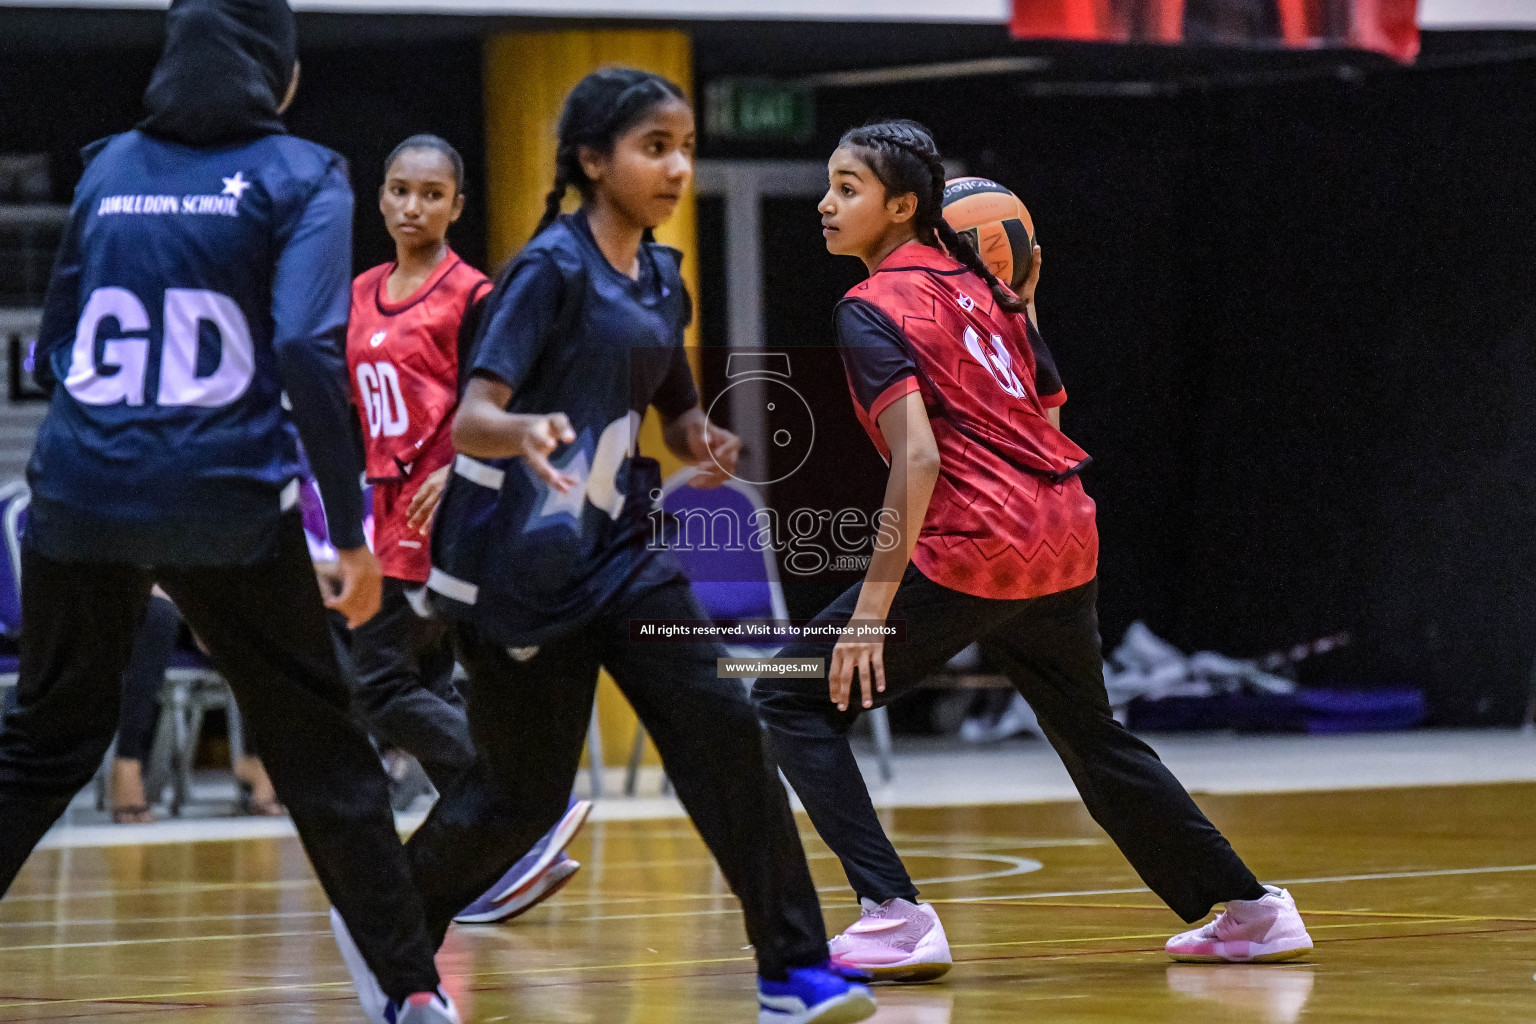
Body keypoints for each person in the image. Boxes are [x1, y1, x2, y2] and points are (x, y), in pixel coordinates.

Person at [329, 68, 877, 1024]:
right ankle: (392, 939)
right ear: (593, 161)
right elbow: (473, 421)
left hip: (625, 554)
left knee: (728, 736)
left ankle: (790, 968)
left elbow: (669, 404)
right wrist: (529, 431)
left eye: (686, 149)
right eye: (654, 148)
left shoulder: (662, 280)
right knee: (518, 798)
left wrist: (700, 435)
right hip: (518, 571)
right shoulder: (549, 271)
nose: (676, 168)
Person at [752, 119, 1315, 981]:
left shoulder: (870, 309)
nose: (827, 204)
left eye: (849, 188)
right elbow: (1046, 418)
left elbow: (919, 457)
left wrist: (869, 613)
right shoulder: (988, 291)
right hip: (1062, 537)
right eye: (829, 185)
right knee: (1093, 736)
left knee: (788, 696)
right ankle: (1252, 910)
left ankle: (894, 916)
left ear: (903, 206)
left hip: (974, 546)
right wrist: (1026, 307)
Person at [0, 2, 456, 1021]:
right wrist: (348, 531)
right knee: (323, 752)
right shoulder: (307, 175)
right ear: (280, 79)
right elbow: (304, 349)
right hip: (222, 496)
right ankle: (412, 994)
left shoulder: (107, 164)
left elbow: (51, 344)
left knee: (45, 742)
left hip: (78, 488)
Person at [345, 133, 589, 923]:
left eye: (430, 193)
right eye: (399, 190)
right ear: (380, 197)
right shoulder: (359, 292)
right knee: (426, 685)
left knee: (378, 684)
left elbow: (516, 400)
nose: (412, 206)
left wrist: (462, 465)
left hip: (447, 516)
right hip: (384, 511)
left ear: (457, 205)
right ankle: (498, 848)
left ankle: (521, 806)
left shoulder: (474, 296)